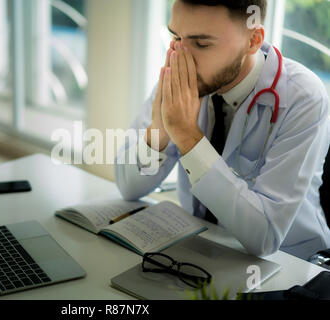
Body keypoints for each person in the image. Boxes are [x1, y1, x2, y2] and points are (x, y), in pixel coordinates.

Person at [114, 0, 330, 260]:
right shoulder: (185, 76)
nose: (181, 58)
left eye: (202, 44)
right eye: (175, 37)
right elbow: (128, 187)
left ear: (253, 40)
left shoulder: (303, 97)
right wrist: (160, 130)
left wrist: (187, 137)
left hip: (292, 265)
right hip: (204, 247)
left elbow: (266, 237)